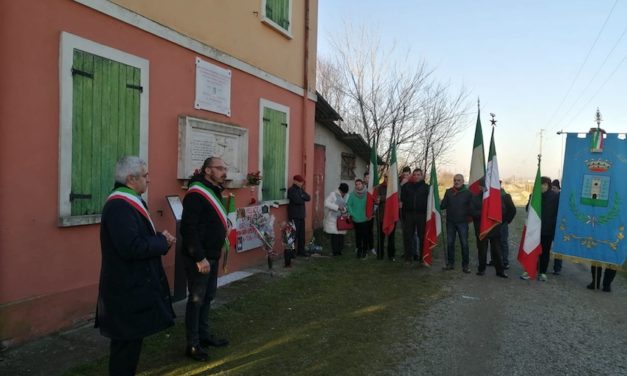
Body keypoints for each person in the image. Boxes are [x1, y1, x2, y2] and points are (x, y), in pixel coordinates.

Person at [95, 156, 176, 376]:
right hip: (125, 289)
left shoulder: (129, 201)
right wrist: (162, 241)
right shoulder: (119, 205)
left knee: (131, 345)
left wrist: (160, 240)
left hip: (133, 286)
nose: (149, 180)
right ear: (131, 178)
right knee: (125, 348)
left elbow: (137, 240)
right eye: (145, 175)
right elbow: (131, 247)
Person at [181, 157, 230, 362]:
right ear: (208, 170)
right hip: (199, 259)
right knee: (196, 299)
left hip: (212, 255)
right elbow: (188, 229)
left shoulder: (214, 190)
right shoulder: (196, 194)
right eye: (220, 168)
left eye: (224, 168)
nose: (224, 172)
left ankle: (204, 335)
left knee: (208, 297)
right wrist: (199, 257)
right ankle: (192, 344)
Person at [472, 178, 515, 278]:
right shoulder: (475, 198)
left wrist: (503, 221)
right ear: (480, 187)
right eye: (484, 187)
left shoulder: (497, 198)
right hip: (482, 229)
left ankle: (500, 271)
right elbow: (472, 211)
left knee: (497, 250)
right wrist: (484, 214)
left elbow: (505, 211)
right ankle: (481, 269)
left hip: (495, 228)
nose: (486, 188)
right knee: (482, 250)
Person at [521, 176, 559, 281]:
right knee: (532, 250)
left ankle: (542, 272)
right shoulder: (534, 195)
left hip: (547, 230)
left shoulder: (555, 197)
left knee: (545, 252)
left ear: (549, 185)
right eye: (540, 184)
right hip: (534, 229)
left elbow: (558, 213)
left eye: (545, 184)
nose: (542, 186)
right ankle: (529, 270)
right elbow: (527, 209)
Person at [440, 174, 472, 272]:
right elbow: (443, 206)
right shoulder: (449, 192)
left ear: (463, 181)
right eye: (455, 180)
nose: (456, 182)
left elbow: (472, 207)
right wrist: (437, 201)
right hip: (450, 223)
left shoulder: (468, 193)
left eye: (458, 180)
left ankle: (465, 265)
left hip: (463, 223)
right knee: (450, 243)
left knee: (464, 244)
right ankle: (450, 264)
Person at [400, 168, 429, 263]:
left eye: (418, 174)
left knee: (422, 236)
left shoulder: (426, 187)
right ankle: (408, 257)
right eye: (415, 174)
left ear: (422, 176)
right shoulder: (406, 186)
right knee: (408, 236)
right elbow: (402, 201)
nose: (416, 176)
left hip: (422, 215)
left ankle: (422, 257)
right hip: (409, 214)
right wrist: (403, 215)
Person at [287, 174, 311, 257]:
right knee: (294, 235)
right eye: (300, 182)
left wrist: (301, 196)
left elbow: (308, 198)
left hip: (301, 215)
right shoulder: (291, 190)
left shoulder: (301, 190)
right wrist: (302, 197)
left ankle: (301, 251)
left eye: (302, 182)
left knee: (301, 235)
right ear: (295, 181)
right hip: (294, 216)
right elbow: (297, 201)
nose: (301, 184)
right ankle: (292, 252)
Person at [324, 183, 350, 255]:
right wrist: (337, 207)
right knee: (335, 235)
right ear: (339, 190)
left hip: (342, 218)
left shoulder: (347, 196)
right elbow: (326, 203)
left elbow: (348, 205)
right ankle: (335, 251)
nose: (343, 194)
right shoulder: (333, 194)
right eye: (342, 192)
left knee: (341, 235)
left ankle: (339, 250)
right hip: (333, 218)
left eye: (344, 193)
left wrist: (345, 209)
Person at [375, 174, 396, 260]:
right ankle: (380, 254)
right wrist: (387, 197)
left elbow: (397, 199)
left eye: (389, 177)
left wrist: (384, 198)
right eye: (386, 176)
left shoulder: (395, 188)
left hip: (392, 215)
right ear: (384, 177)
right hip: (382, 216)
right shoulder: (379, 187)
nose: (388, 178)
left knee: (391, 237)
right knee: (381, 237)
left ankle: (391, 255)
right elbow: (377, 199)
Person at [347, 179, 369, 259]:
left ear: (362, 184)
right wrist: (352, 214)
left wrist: (369, 213)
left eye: (359, 184)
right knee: (358, 237)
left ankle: (365, 251)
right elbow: (349, 205)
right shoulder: (352, 194)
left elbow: (370, 204)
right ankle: (359, 252)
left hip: (365, 218)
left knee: (365, 236)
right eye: (356, 184)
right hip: (356, 219)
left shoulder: (367, 194)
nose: (358, 185)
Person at [499, 184, 517, 269]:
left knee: (503, 242)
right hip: (492, 223)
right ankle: (494, 260)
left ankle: (505, 261)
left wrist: (507, 220)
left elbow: (513, 210)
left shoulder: (506, 196)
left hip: (502, 223)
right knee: (493, 242)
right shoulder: (489, 195)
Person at [551, 179, 563, 275]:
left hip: (559, 226)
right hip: (550, 225)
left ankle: (557, 268)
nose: (553, 190)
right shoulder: (550, 197)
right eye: (552, 188)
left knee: (558, 248)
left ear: (558, 189)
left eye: (554, 188)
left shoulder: (562, 198)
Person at [363, 171, 376, 256]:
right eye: (366, 177)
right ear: (364, 178)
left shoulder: (374, 188)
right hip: (362, 213)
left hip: (371, 212)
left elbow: (375, 201)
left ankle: (371, 247)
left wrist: (373, 211)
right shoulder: (361, 187)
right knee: (363, 230)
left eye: (369, 177)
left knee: (370, 231)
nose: (368, 179)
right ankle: (363, 247)